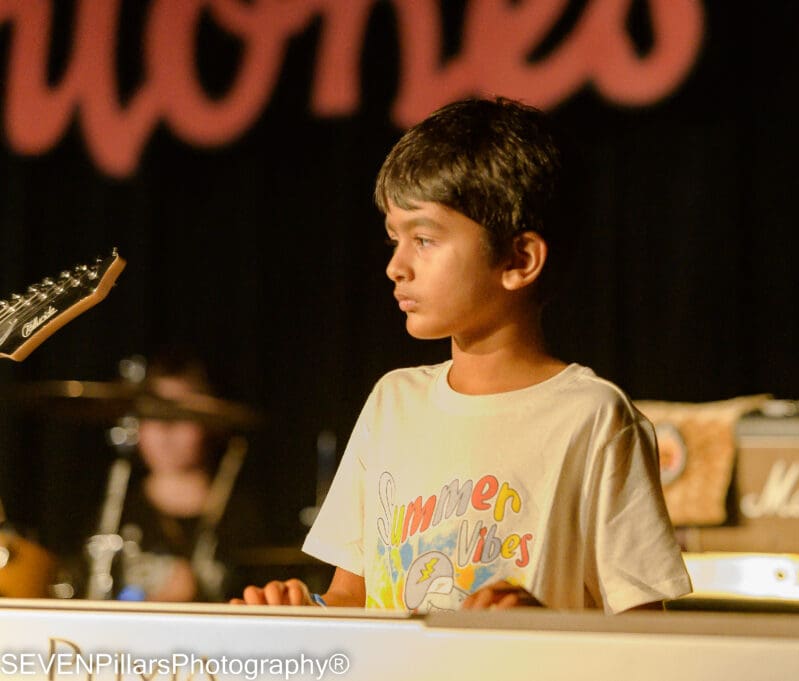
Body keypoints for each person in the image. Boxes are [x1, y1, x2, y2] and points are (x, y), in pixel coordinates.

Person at [234, 97, 691, 612]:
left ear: (519, 259)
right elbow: (350, 594)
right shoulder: (392, 402)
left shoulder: (593, 418)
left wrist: (543, 630)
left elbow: (643, 632)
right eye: (394, 240)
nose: (396, 267)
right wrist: (298, 613)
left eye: (424, 239)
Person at [111, 351, 256, 602]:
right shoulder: (115, 514)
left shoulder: (244, 520)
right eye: (155, 414)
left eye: (181, 415)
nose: (166, 430)